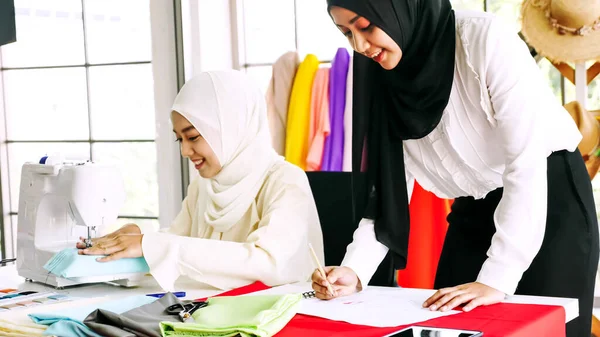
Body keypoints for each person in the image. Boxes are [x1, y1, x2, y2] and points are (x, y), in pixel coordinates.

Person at [310, 1, 599, 336]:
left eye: (365, 26)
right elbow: (388, 189)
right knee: (445, 325)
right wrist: (354, 269)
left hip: (550, 200)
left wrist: (497, 278)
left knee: (545, 330)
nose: (359, 46)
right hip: (473, 206)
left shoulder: (484, 40)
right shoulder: (381, 75)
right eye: (346, 33)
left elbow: (526, 164)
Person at [77, 70, 324, 291]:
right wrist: (138, 238)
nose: (185, 151)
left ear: (231, 129)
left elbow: (268, 263)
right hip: (211, 314)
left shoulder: (285, 181)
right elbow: (176, 242)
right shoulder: (204, 185)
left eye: (193, 137)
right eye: (179, 140)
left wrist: (153, 245)